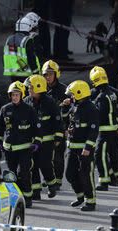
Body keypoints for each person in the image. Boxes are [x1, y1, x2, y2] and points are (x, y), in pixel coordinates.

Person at [0, 81, 42, 208]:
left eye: (17, 94)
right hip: (9, 150)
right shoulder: (5, 109)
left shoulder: (28, 110)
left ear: (21, 95)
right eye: (13, 95)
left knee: (24, 173)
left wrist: (37, 141)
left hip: (25, 149)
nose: (14, 97)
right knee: (11, 175)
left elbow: (37, 127)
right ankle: (15, 197)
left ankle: (28, 198)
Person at [62, 80, 99, 211]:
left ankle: (91, 201)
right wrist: (65, 107)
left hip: (84, 149)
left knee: (86, 174)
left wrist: (88, 148)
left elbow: (94, 130)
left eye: (72, 94)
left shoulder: (91, 108)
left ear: (79, 93)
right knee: (69, 174)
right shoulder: (74, 105)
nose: (71, 97)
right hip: (72, 147)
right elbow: (66, 119)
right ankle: (80, 196)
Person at [23, 75, 62, 199]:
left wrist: (58, 138)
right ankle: (36, 191)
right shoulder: (27, 101)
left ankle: (51, 184)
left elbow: (58, 121)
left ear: (39, 87)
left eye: (31, 87)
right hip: (32, 141)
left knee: (45, 164)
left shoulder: (50, 102)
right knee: (32, 165)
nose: (29, 89)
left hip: (47, 141)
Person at [89, 66, 118, 191]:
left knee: (100, 155)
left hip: (103, 131)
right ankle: (115, 177)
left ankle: (104, 181)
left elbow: (95, 113)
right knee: (113, 154)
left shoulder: (98, 95)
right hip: (112, 129)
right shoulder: (113, 92)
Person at [42, 60, 67, 188]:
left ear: (56, 74)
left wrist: (67, 128)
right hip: (46, 129)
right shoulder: (41, 89)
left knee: (58, 156)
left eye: (50, 74)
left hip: (60, 128)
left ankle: (58, 180)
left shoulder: (64, 91)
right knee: (46, 156)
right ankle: (49, 178)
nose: (48, 77)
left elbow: (71, 111)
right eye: (46, 74)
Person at [3, 16, 41, 83]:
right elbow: (31, 58)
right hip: (25, 73)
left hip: (12, 73)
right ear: (28, 27)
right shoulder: (27, 40)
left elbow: (6, 56)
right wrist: (36, 72)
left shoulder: (9, 39)